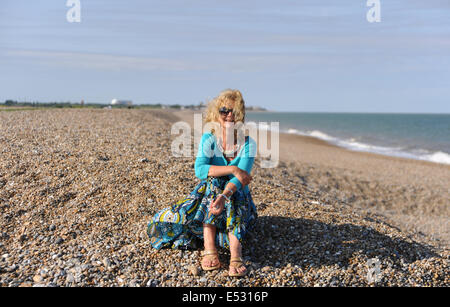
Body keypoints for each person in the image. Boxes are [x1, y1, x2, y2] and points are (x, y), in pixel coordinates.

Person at [147, 89, 257, 277]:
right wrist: (232, 168)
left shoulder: (248, 143)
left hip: (236, 197)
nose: (229, 116)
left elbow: (241, 178)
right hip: (208, 197)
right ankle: (210, 246)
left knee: (232, 193)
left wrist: (224, 195)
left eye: (235, 112)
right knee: (213, 183)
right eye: (225, 111)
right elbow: (200, 170)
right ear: (216, 114)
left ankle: (235, 254)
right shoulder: (209, 139)